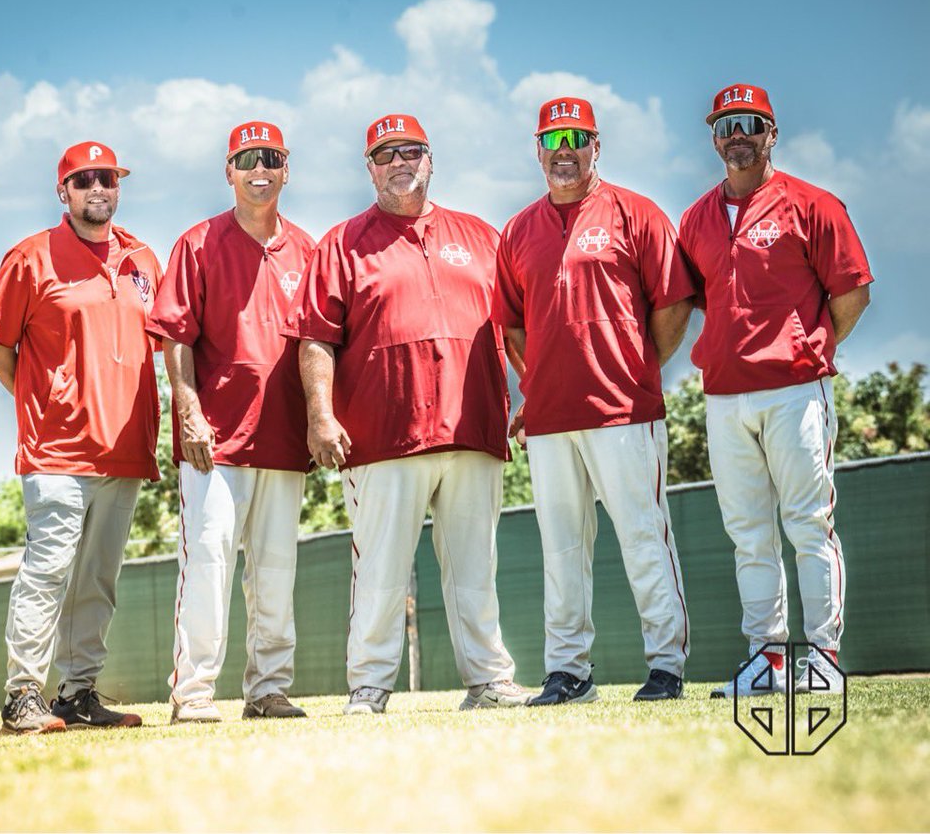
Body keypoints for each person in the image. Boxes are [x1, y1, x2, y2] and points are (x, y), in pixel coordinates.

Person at [285, 113, 527, 715]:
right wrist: (320, 416)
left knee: (476, 569)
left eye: (410, 151)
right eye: (385, 154)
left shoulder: (481, 235)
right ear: (369, 169)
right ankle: (369, 686)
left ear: (430, 158)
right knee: (380, 571)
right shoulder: (341, 243)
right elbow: (315, 339)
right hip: (381, 435)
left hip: (473, 427)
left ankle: (490, 681)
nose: (399, 162)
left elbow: (516, 326)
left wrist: (533, 394)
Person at [494, 97, 694, 705]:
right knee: (561, 550)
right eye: (552, 141)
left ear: (596, 145)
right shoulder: (518, 229)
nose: (564, 151)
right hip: (551, 419)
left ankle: (666, 666)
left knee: (643, 537)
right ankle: (568, 671)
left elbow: (674, 304)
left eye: (575, 139)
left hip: (624, 410)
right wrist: (534, 383)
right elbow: (512, 325)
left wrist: (638, 367)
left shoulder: (637, 213)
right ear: (537, 151)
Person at [678, 84, 872, 698]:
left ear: (772, 133)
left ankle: (823, 659)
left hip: (794, 391)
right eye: (726, 125)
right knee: (749, 535)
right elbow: (700, 299)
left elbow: (853, 293)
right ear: (714, 138)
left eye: (750, 123)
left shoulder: (813, 204)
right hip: (723, 396)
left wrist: (807, 347)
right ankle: (767, 660)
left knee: (809, 525)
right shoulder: (695, 218)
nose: (738, 135)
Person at [0, 141, 163, 732]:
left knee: (97, 582)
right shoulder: (29, 257)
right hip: (56, 450)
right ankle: (21, 695)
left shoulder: (143, 258)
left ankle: (77, 693)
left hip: (126, 449)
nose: (98, 188)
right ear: (63, 191)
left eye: (107, 178)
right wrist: (48, 399)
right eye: (84, 180)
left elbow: (159, 345)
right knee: (47, 572)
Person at [148, 121, 314, 723]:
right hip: (213, 442)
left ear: (286, 168)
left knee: (275, 572)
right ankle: (193, 694)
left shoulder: (308, 250)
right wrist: (188, 412)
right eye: (246, 160)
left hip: (284, 438)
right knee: (208, 566)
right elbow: (174, 335)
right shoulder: (198, 243)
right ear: (229, 172)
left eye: (270, 158)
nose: (258, 169)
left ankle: (267, 690)